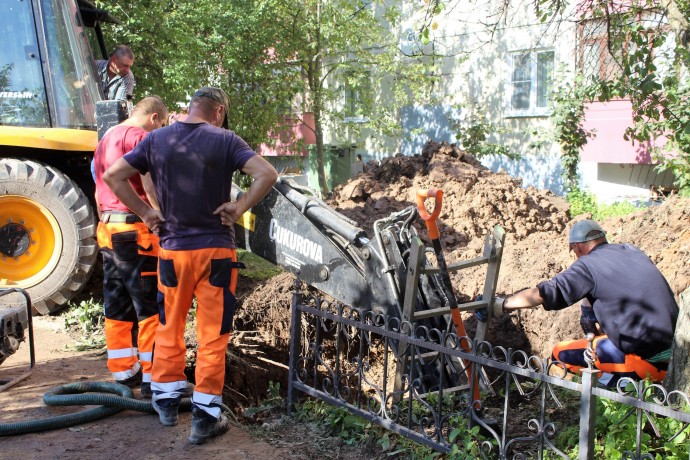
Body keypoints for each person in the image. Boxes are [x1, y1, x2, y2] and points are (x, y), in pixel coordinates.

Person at [103, 87, 278, 444]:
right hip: (216, 253)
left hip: (172, 253)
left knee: (169, 324)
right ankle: (204, 419)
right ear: (218, 111)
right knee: (212, 336)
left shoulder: (157, 139)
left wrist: (147, 212)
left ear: (190, 107)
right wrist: (239, 206)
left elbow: (113, 176)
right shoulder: (226, 140)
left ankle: (166, 404)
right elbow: (267, 174)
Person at [491, 219, 678, 387]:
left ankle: (610, 390)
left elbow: (545, 293)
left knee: (558, 355)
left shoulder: (587, 265)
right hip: (676, 352)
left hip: (648, 362)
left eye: (573, 251)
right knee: (597, 344)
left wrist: (502, 304)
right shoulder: (631, 251)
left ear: (577, 246)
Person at [93, 96, 168, 396]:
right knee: (148, 303)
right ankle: (152, 376)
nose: (158, 131)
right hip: (136, 232)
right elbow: (148, 183)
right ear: (153, 119)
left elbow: (98, 183)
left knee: (117, 301)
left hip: (108, 229)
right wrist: (157, 214)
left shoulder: (106, 138)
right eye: (160, 126)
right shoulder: (139, 137)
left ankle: (124, 371)